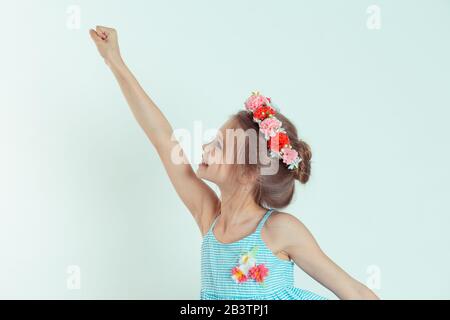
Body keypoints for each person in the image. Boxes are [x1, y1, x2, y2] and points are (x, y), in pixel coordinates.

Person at [89, 25, 379, 300]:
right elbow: (164, 141)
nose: (204, 147)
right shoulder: (209, 217)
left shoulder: (279, 230)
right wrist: (114, 61)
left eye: (219, 146)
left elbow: (354, 292)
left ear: (248, 172)